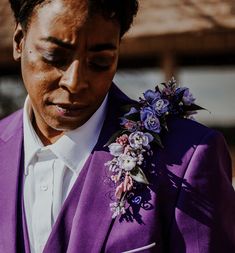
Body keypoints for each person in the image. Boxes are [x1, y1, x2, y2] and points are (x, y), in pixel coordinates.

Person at [0, 0, 235, 252]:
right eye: (54, 56)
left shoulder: (188, 157)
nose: (75, 82)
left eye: (100, 61)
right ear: (19, 41)